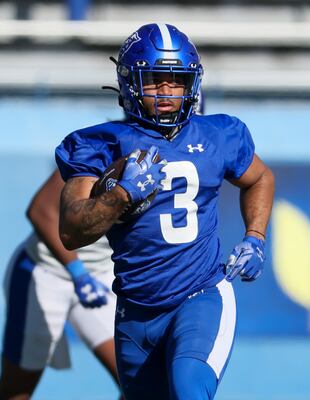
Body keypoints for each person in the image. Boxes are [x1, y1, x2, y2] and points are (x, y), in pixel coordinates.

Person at [54, 23, 274, 400]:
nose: (167, 91)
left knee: (189, 389)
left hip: (200, 294)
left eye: (176, 80)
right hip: (135, 311)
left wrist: (255, 237)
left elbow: (260, 178)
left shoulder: (218, 134)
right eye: (155, 80)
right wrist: (120, 195)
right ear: (130, 82)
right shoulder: (98, 144)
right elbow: (72, 231)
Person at [0, 170, 120, 400]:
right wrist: (78, 273)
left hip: (102, 276)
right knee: (15, 392)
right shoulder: (101, 145)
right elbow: (41, 210)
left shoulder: (182, 152)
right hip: (45, 272)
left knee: (137, 383)